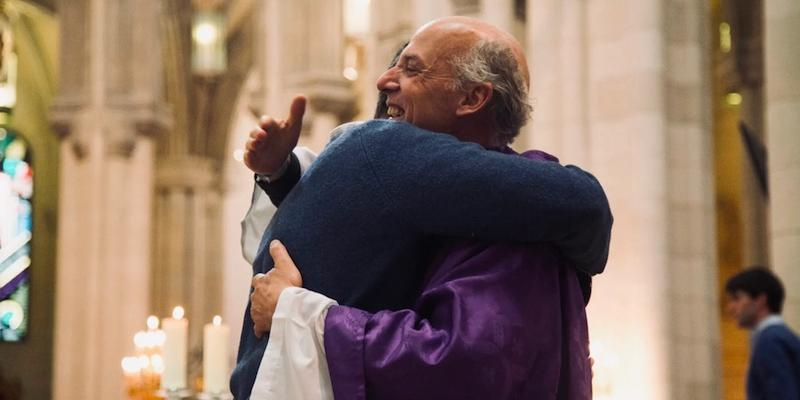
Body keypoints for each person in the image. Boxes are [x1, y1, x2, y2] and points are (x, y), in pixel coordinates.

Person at [232, 16, 613, 399]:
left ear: (472, 98)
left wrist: (296, 312)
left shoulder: (388, 151)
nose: (383, 80)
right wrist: (282, 174)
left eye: (412, 69)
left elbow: (584, 204)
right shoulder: (436, 182)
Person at [725, 266, 800, 399]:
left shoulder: (770, 341)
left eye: (737, 299)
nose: (730, 308)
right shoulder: (781, 337)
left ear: (760, 300)